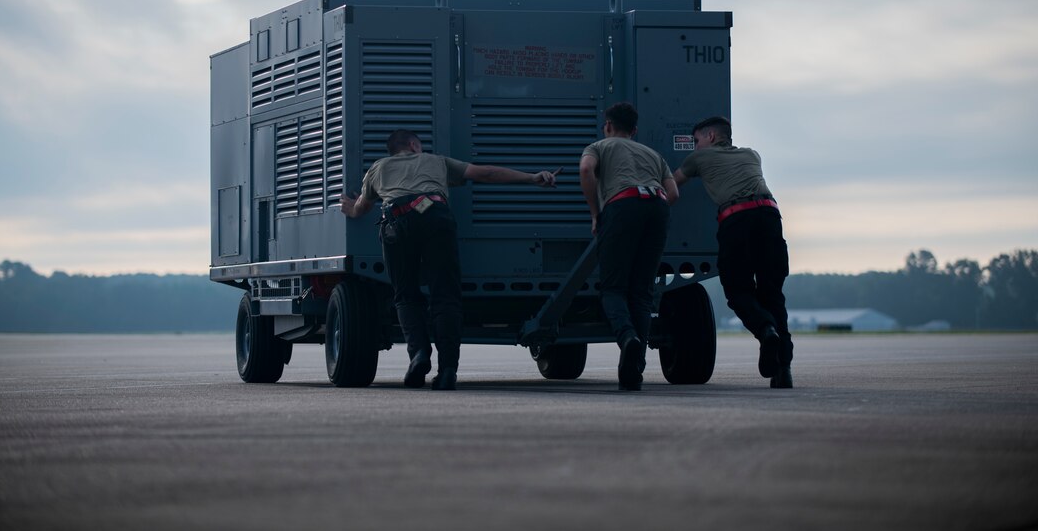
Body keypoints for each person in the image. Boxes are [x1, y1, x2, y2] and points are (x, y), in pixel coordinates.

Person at [340, 129, 559, 390]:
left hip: (397, 219)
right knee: (445, 295)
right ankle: (447, 371)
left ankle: (419, 355)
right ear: (414, 145)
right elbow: (486, 172)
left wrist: (349, 207)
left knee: (406, 294)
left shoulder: (378, 168)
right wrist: (532, 178)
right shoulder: (436, 161)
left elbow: (360, 208)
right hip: (435, 214)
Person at [673, 116, 793, 388]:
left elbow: (672, 185)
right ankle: (782, 371)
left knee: (737, 290)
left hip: (737, 219)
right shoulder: (752, 155)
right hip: (770, 215)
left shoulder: (698, 160)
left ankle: (765, 330)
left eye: (697, 140)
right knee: (773, 294)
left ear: (711, 137)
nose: (695, 146)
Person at [579, 102, 679, 391]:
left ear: (607, 125)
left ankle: (628, 338)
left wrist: (597, 213)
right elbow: (673, 193)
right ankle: (634, 370)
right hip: (658, 206)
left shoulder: (599, 146)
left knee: (613, 288)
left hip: (622, 204)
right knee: (642, 292)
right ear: (634, 130)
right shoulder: (653, 154)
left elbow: (586, 169)